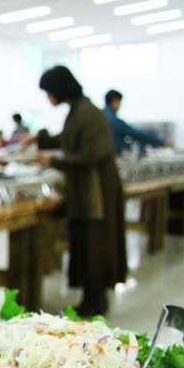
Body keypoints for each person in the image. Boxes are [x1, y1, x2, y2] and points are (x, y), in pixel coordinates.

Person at [22, 66, 126, 317]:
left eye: (48, 92)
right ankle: (92, 299)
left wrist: (53, 161)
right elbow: (68, 138)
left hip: (97, 191)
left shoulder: (88, 113)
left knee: (95, 244)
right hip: (87, 190)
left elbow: (94, 154)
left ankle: (95, 300)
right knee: (86, 243)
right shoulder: (79, 111)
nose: (48, 98)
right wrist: (39, 139)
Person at [103, 89, 173, 156]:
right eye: (120, 102)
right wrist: (162, 142)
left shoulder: (102, 116)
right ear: (115, 101)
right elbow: (137, 134)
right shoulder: (114, 121)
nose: (120, 106)